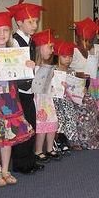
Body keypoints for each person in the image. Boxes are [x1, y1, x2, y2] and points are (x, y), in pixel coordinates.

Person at [0, 11, 35, 186]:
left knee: (8, 137)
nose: (2, 34)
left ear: (10, 34)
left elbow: (21, 79)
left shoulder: (15, 53)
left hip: (10, 100)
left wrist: (28, 67)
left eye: (5, 30)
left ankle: (5, 169)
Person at [7, 3, 45, 173]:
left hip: (29, 89)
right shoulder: (14, 41)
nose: (34, 25)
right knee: (22, 127)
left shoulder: (31, 40)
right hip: (19, 91)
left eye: (36, 21)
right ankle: (21, 163)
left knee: (31, 124)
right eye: (30, 22)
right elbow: (12, 64)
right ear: (19, 23)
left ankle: (29, 160)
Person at [53, 39, 99, 150]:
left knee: (90, 104)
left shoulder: (72, 71)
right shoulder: (54, 71)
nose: (68, 59)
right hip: (58, 100)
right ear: (58, 56)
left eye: (70, 56)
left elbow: (77, 87)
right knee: (69, 112)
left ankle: (86, 137)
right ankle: (69, 140)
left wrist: (83, 89)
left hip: (72, 98)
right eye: (64, 56)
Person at [32, 29, 60, 161]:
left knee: (52, 122)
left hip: (48, 99)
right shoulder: (34, 66)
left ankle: (49, 148)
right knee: (41, 125)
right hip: (39, 100)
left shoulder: (50, 66)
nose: (52, 50)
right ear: (40, 47)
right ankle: (38, 150)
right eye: (50, 47)